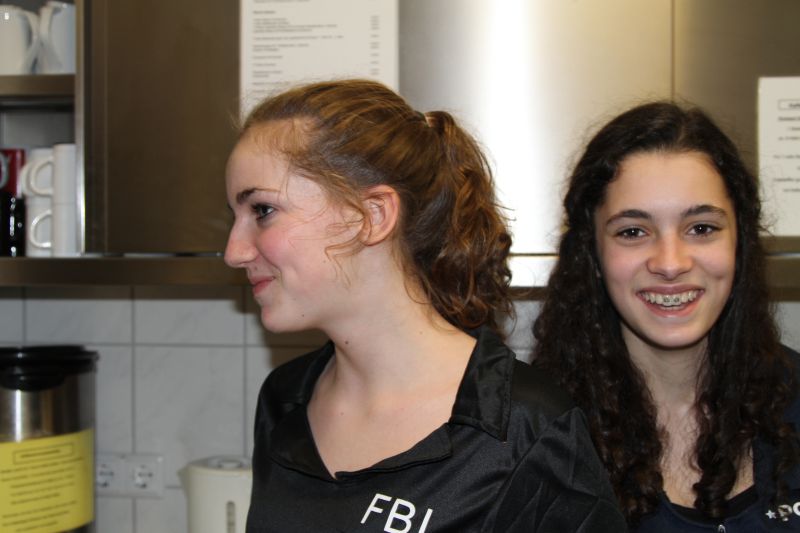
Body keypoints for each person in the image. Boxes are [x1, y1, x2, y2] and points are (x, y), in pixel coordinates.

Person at [224, 79, 625, 532]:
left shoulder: (524, 429)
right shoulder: (286, 400)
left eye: (262, 211)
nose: (234, 251)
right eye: (234, 218)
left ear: (372, 216)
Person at [532, 101, 800, 531]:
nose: (671, 263)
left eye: (702, 228)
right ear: (592, 254)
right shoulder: (537, 435)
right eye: (633, 232)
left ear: (740, 243)